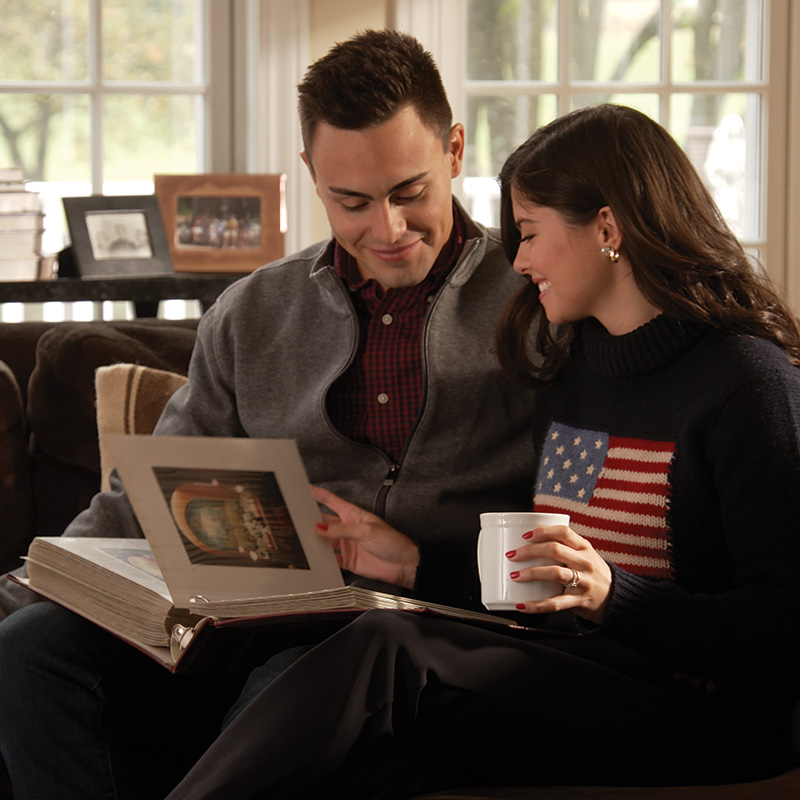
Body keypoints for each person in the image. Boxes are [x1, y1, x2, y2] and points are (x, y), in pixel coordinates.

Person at [155, 104, 800, 800]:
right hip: (575, 678)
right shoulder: (576, 366)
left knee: (388, 653)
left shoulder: (747, 384)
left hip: (701, 713)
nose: (517, 261)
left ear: (608, 229)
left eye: (529, 235)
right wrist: (415, 563)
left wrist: (616, 596)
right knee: (372, 763)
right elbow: (544, 581)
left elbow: (785, 627)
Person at [0, 30, 539, 799]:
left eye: (410, 192)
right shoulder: (253, 312)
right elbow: (141, 503)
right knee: (28, 650)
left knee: (291, 690)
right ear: (313, 176)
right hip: (249, 623)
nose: (386, 229)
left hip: (426, 631)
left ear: (455, 151)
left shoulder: (536, 303)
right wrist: (19, 591)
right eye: (351, 202)